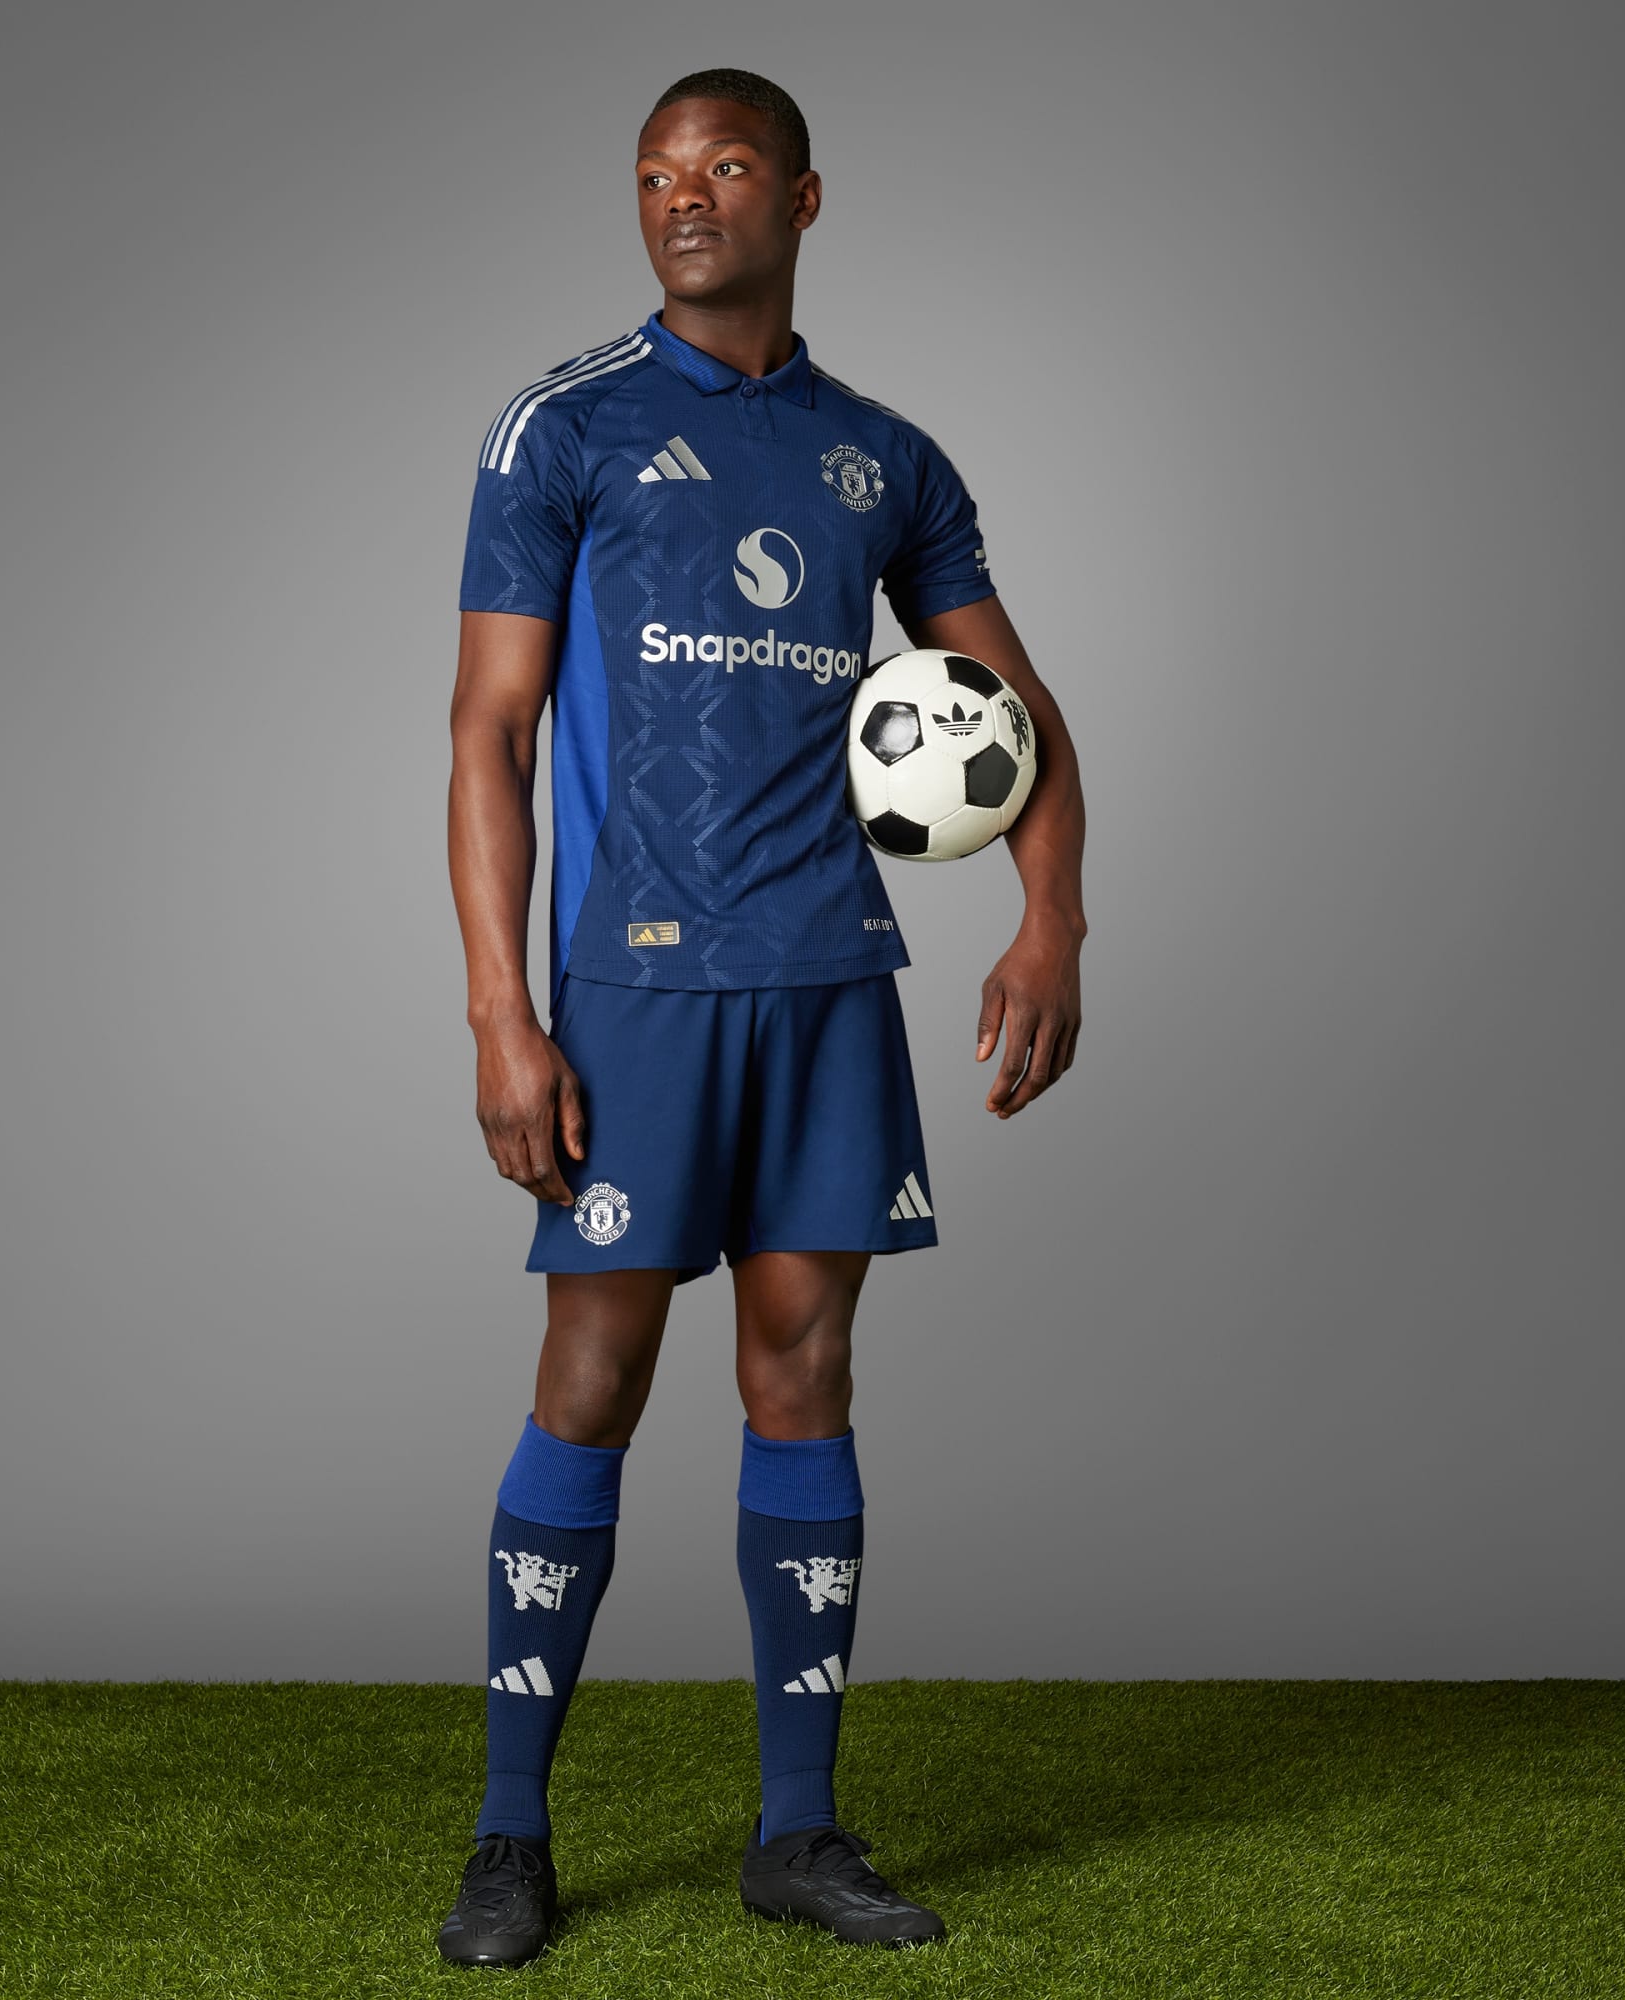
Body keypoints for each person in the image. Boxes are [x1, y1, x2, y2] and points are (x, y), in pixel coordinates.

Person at [439, 66, 1086, 1965]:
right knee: (593, 1378)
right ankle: (508, 1836)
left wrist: (1051, 921)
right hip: (633, 991)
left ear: (802, 199)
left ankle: (797, 1832)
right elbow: (487, 732)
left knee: (804, 1375)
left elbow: (1020, 719)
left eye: (726, 168)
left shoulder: (885, 458)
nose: (685, 197)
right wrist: (501, 1012)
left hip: (826, 985)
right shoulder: (563, 428)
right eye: (657, 173)